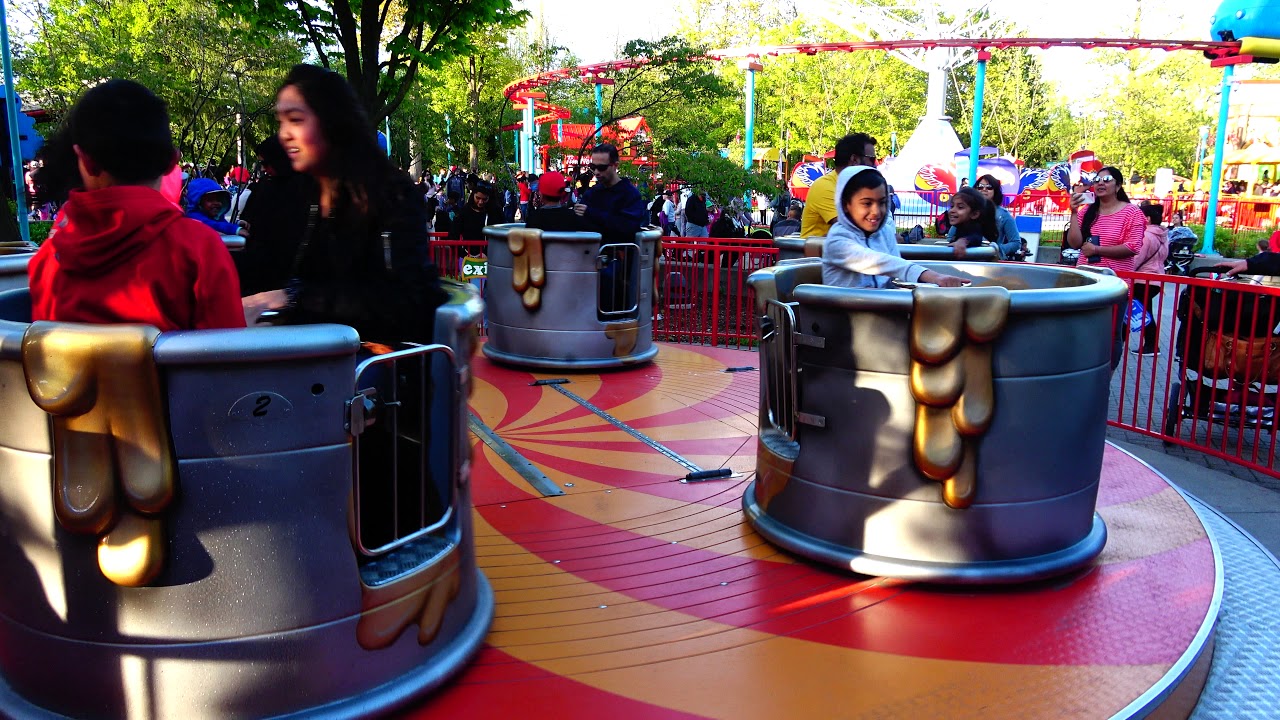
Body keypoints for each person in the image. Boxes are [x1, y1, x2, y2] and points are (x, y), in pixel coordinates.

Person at [241, 63, 446, 346]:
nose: (284, 133)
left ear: (332, 122)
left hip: (377, 368)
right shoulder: (290, 193)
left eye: (296, 119)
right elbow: (265, 269)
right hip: (300, 360)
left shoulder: (391, 196)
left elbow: (407, 302)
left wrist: (295, 299)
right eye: (281, 121)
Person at [27, 79, 244, 331]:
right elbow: (227, 361)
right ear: (171, 162)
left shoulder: (46, 262)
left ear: (85, 160)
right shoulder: (199, 250)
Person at [822, 166, 966, 289]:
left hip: (882, 310)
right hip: (846, 318)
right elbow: (879, 263)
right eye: (867, 203)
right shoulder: (837, 239)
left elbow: (893, 278)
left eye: (882, 202)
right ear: (846, 205)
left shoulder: (884, 232)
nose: (876, 211)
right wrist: (933, 276)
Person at [235, 135, 311, 295]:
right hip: (258, 262)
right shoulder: (265, 184)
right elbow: (250, 215)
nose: (263, 169)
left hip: (284, 270)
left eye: (266, 163)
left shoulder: (303, 186)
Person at [1064, 165, 1144, 273]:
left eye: (1107, 179)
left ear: (1118, 186)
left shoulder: (1132, 212)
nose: (1100, 183)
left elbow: (1132, 247)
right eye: (1097, 180)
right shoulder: (1086, 211)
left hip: (1115, 281)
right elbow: (1074, 244)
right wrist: (1074, 212)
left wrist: (1096, 250)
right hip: (1086, 278)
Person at [802, 132, 877, 238]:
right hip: (819, 253)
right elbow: (854, 227)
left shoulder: (855, 189)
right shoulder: (824, 186)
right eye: (872, 159)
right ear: (854, 159)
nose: (874, 164)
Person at [573, 143, 647, 241]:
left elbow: (628, 227)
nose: (596, 172)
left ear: (615, 165)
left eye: (602, 168)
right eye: (593, 167)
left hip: (617, 253)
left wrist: (591, 214)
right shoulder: (592, 193)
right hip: (590, 252)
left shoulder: (630, 194)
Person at [1129, 203, 1169, 356]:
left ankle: (1151, 345)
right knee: (1144, 311)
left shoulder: (1146, 236)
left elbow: (1137, 258)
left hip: (1142, 279)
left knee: (1141, 312)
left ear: (1147, 218)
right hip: (1155, 278)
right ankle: (1150, 344)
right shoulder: (1163, 236)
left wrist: (1125, 270)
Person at [951, 174, 1020, 259]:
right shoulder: (965, 212)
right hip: (965, 258)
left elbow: (1015, 242)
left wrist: (995, 249)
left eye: (989, 187)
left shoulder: (1004, 214)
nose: (984, 189)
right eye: (980, 187)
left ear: (996, 190)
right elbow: (950, 236)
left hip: (988, 262)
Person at [945, 186, 997, 259]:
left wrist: (963, 241)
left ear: (974, 214)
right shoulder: (959, 227)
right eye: (952, 206)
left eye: (960, 207)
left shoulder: (974, 228)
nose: (952, 210)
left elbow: (976, 237)